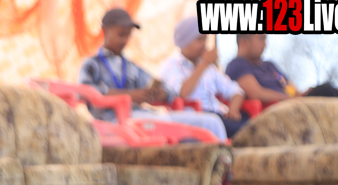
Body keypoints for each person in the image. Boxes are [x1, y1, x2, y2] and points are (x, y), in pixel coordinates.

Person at [79, 8, 229, 141]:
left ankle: (226, 162)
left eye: (128, 35)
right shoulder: (92, 64)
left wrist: (160, 93)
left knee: (212, 122)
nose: (125, 40)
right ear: (105, 31)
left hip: (142, 116)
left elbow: (168, 90)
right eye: (121, 34)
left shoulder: (131, 67)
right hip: (112, 120)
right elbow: (86, 93)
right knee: (165, 124)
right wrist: (130, 96)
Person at [160, 17, 248, 138]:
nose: (204, 44)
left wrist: (233, 110)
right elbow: (183, 93)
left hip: (219, 114)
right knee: (246, 133)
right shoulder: (172, 65)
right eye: (199, 39)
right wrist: (204, 63)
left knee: (252, 126)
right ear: (185, 41)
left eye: (205, 39)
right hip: (195, 119)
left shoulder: (209, 68)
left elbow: (236, 90)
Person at [225, 34, 298, 104]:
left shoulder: (270, 66)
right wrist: (291, 99)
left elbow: (290, 88)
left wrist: (300, 96)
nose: (265, 44)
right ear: (243, 42)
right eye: (261, 38)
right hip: (274, 109)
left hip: (292, 104)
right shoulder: (237, 65)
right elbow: (256, 94)